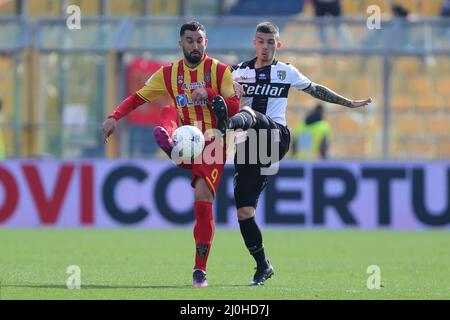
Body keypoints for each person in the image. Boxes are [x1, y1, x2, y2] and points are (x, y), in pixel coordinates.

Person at [211, 21, 371, 285]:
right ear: (254, 43)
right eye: (261, 42)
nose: (265, 47)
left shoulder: (286, 72)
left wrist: (348, 103)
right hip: (249, 146)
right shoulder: (237, 72)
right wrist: (226, 90)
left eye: (271, 42)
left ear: (279, 44)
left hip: (276, 136)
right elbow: (214, 86)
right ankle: (263, 266)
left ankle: (227, 124)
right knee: (244, 211)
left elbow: (316, 89)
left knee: (251, 113)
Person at [102, 21, 240, 287]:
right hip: (186, 135)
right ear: (181, 44)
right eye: (190, 40)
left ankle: (200, 269)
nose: (195, 45)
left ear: (206, 43)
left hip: (213, 141)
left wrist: (210, 94)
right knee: (168, 111)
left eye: (200, 40)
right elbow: (138, 97)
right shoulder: (168, 74)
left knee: (202, 196)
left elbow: (234, 107)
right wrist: (113, 117)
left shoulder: (220, 70)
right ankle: (171, 143)